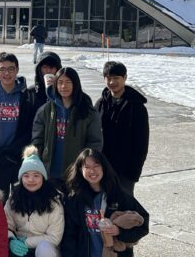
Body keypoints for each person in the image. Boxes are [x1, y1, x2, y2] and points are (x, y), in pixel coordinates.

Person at [61, 149, 149, 257]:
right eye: (87, 167)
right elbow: (69, 236)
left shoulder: (119, 195)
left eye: (96, 166)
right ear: (80, 170)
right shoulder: (74, 199)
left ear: (103, 167)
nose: (92, 171)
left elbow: (143, 225)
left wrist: (120, 232)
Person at [0, 52, 37, 200]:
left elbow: (30, 127)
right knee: (0, 201)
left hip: (19, 157)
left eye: (11, 69)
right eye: (2, 69)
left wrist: (15, 150)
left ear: (17, 70)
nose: (7, 73)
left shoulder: (27, 96)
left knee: (21, 199)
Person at [32, 67, 103, 181]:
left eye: (68, 82)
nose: (64, 86)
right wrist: (40, 161)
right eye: (60, 82)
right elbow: (37, 139)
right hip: (50, 172)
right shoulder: (45, 110)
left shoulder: (88, 112)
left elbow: (95, 142)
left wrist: (86, 166)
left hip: (76, 173)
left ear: (76, 84)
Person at [95, 62, 149, 196]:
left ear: (124, 78)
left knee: (124, 208)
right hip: (102, 168)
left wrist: (134, 172)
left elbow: (141, 142)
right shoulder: (100, 104)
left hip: (125, 171)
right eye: (108, 78)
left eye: (116, 78)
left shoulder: (136, 107)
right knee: (101, 206)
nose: (112, 82)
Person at [4, 146, 64, 257]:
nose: (31, 180)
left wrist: (26, 242)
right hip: (19, 248)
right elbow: (5, 224)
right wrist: (11, 239)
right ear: (21, 179)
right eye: (26, 176)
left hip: (43, 248)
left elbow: (54, 237)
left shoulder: (54, 202)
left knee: (44, 248)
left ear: (43, 177)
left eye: (36, 175)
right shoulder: (13, 199)